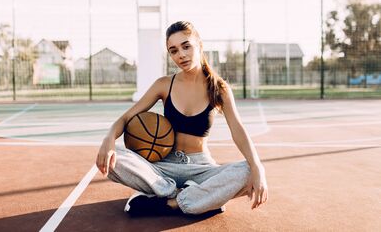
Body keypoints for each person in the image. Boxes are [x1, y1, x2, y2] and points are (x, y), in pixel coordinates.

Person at [96, 21, 268, 216]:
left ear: (199, 45)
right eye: (174, 50)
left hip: (201, 169)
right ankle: (194, 198)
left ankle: (171, 203)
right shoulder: (164, 84)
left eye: (186, 46)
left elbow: (238, 130)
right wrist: (109, 138)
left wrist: (257, 167)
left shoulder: (219, 88)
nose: (181, 55)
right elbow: (127, 117)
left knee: (248, 170)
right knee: (113, 158)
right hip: (162, 168)